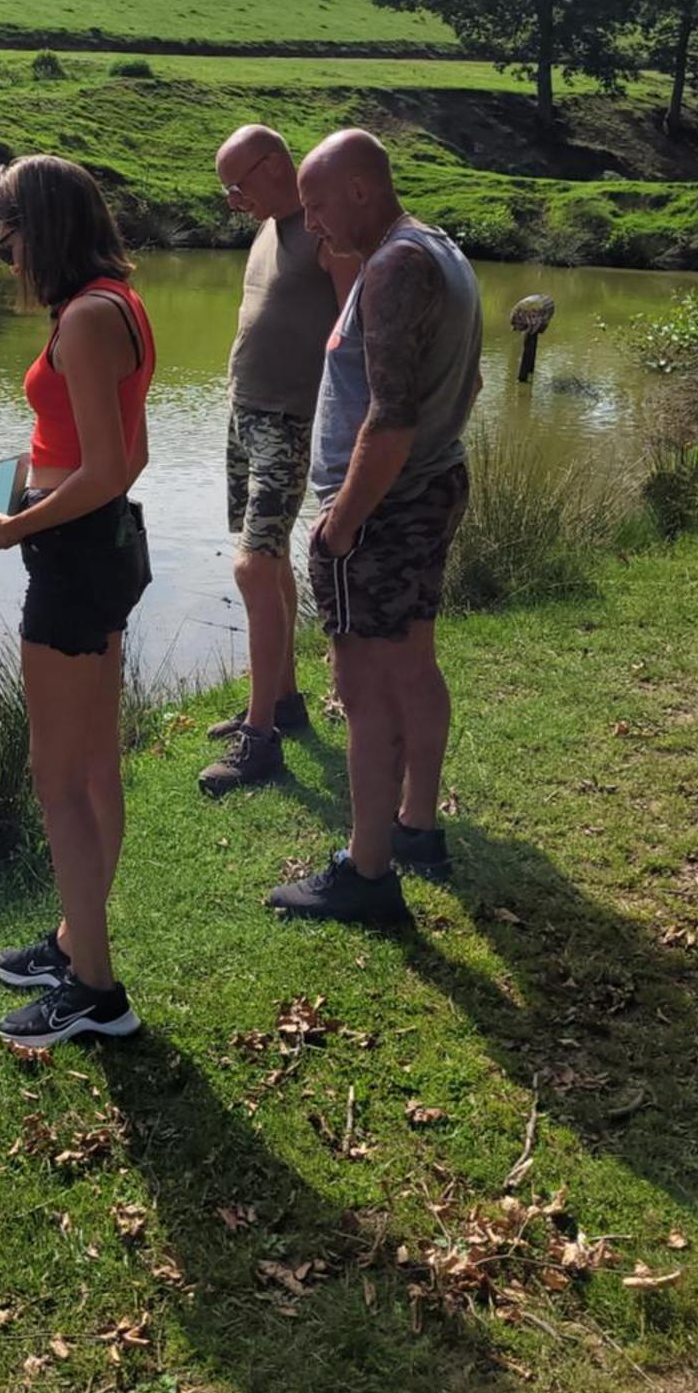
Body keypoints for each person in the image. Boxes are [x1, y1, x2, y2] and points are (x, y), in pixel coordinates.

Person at [269, 128, 482, 926]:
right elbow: (472, 377)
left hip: (385, 505)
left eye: (316, 205)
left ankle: (367, 872)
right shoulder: (439, 248)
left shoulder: (394, 267)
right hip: (429, 486)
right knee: (414, 663)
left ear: (360, 188)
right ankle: (416, 827)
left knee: (362, 688)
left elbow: (389, 418)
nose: (311, 223)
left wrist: (338, 527)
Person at [0, 155, 156, 1046]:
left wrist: (19, 524)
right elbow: (129, 457)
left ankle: (94, 991)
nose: (7, 259)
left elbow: (109, 468)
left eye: (9, 239)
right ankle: (76, 940)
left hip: (74, 557)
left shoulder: (84, 319)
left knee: (57, 780)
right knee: (92, 766)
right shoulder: (117, 301)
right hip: (102, 546)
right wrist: (43, 484)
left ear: (41, 231)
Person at [200, 125, 357, 797]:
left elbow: (356, 327)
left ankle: (260, 738)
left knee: (253, 567)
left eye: (237, 185)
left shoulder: (322, 230)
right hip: (248, 414)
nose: (233, 201)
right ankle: (284, 699)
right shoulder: (267, 226)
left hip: (292, 421)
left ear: (272, 167)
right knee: (266, 557)